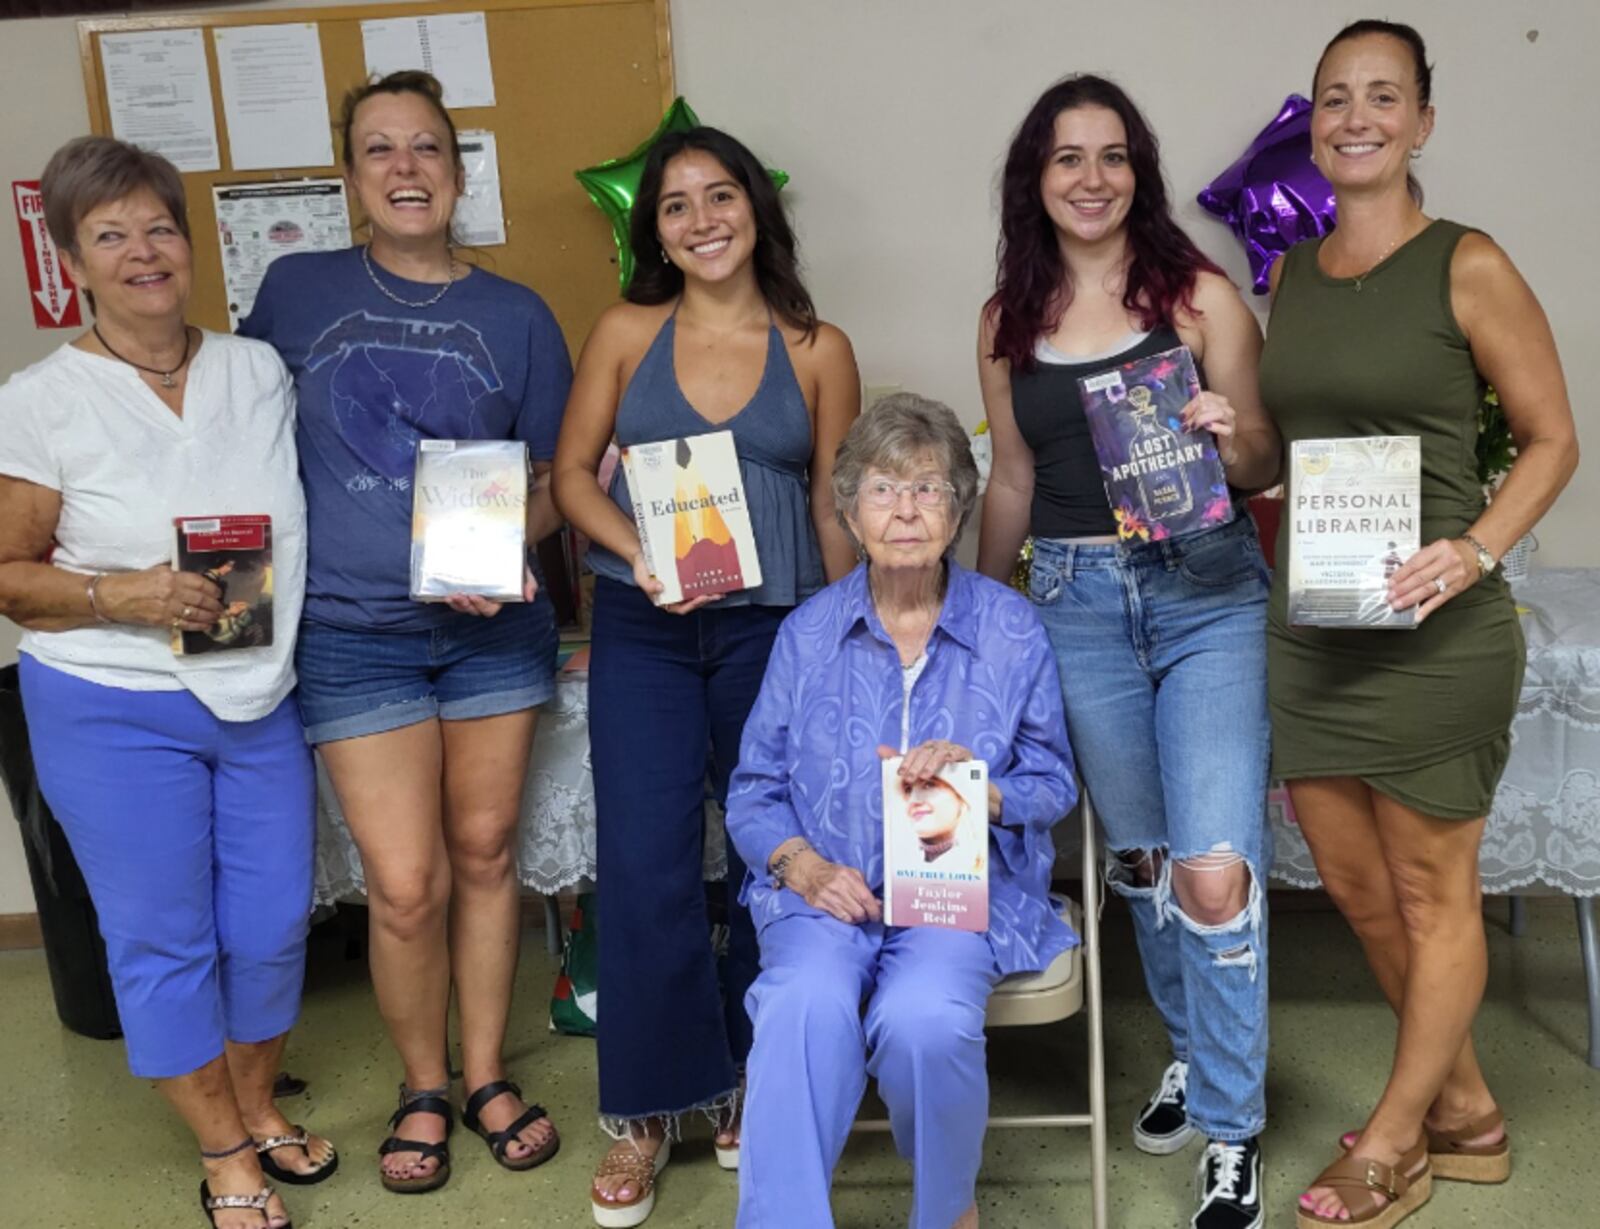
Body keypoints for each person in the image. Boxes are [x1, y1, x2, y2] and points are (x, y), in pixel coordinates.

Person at [1260, 21, 1578, 1229]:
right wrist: (1208, 425)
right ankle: (1470, 1111)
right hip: (1317, 625)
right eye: (1335, 97)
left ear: (1422, 122)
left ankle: (1394, 1139)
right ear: (1314, 119)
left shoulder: (1468, 262)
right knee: (1355, 887)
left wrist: (1476, 546)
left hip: (1435, 630)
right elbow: (1278, 450)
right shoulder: (1288, 274)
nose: (1356, 116)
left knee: (1433, 889)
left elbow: (1553, 436)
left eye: (1382, 96)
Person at [238, 71, 571, 1193]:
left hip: (489, 637)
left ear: (458, 169)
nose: (406, 169)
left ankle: (483, 1073)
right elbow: (235, 438)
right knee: (406, 881)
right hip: (352, 631)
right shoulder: (293, 289)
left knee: (486, 858)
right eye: (379, 150)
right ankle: (420, 1081)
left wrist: (506, 550)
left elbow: (553, 478)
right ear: (348, 177)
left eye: (426, 148)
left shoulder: (517, 316)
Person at [0, 136, 333, 1229]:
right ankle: (225, 1145)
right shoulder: (41, 399)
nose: (142, 251)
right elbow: (9, 574)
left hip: (252, 682)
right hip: (110, 699)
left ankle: (251, 1098)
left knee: (277, 917)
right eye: (110, 235)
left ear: (190, 244)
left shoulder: (254, 367)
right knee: (163, 933)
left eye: (158, 227)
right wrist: (120, 596)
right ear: (72, 262)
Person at [974, 74, 1282, 1229]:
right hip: (1072, 598)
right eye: (1067, 158)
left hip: (1203, 593)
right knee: (1146, 862)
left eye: (1112, 156)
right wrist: (972, 606)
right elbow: (1011, 477)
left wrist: (1228, 425)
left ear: (1136, 172)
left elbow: (1258, 456)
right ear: (1036, 179)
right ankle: (1197, 1054)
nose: (1091, 177)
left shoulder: (1198, 297)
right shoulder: (1006, 317)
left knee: (1214, 866)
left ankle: (1233, 1123)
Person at [551, 125, 859, 1226]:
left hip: (772, 629)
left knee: (768, 855)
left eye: (718, 195)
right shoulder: (628, 330)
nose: (700, 219)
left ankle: (740, 1079)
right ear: (656, 233)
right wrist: (634, 551)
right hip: (645, 622)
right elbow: (570, 475)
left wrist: (840, 641)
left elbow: (834, 501)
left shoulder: (816, 343)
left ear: (755, 210)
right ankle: (642, 1104)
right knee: (642, 858)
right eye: (675, 206)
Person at [727, 393, 1077, 1229]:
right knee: (800, 1006)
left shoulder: (1011, 630)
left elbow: (1054, 780)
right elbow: (752, 790)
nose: (907, 510)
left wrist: (984, 789)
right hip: (828, 892)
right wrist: (801, 866)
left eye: (929, 487)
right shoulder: (808, 635)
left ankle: (948, 1209)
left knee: (925, 1020)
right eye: (883, 490)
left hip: (954, 898)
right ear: (849, 510)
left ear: (960, 507)